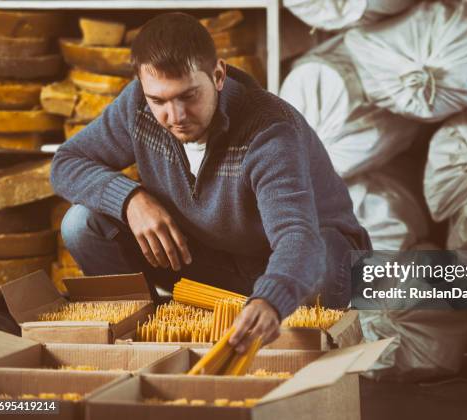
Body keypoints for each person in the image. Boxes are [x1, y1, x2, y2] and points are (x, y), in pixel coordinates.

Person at [50, 12, 370, 353]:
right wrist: (130, 200)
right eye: (158, 100)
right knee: (81, 224)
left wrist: (272, 299)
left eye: (188, 96)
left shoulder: (269, 131)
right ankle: (147, 338)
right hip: (213, 259)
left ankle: (279, 328)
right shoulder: (137, 106)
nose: (175, 117)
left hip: (306, 265)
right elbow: (66, 163)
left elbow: (297, 237)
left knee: (320, 257)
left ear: (218, 75)